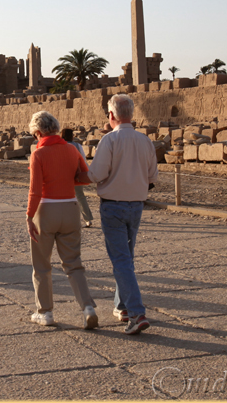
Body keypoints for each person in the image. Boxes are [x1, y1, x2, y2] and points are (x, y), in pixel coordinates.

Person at [76, 94, 158, 335]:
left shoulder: (110, 140)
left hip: (113, 206)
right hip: (137, 205)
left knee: (121, 260)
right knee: (127, 258)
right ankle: (122, 307)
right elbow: (153, 176)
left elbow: (96, 174)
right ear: (131, 114)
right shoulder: (145, 141)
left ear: (111, 115)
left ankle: (136, 313)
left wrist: (77, 176)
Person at [26, 111, 98, 330]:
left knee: (42, 265)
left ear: (38, 132)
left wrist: (29, 216)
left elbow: (35, 191)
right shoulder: (71, 149)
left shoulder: (38, 154)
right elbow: (85, 177)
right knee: (74, 263)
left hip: (46, 209)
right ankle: (88, 308)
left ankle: (45, 312)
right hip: (70, 209)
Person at [61, 129, 94, 228]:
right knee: (80, 196)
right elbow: (83, 159)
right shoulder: (78, 146)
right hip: (76, 174)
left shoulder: (59, 146)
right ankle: (88, 219)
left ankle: (66, 220)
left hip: (63, 175)